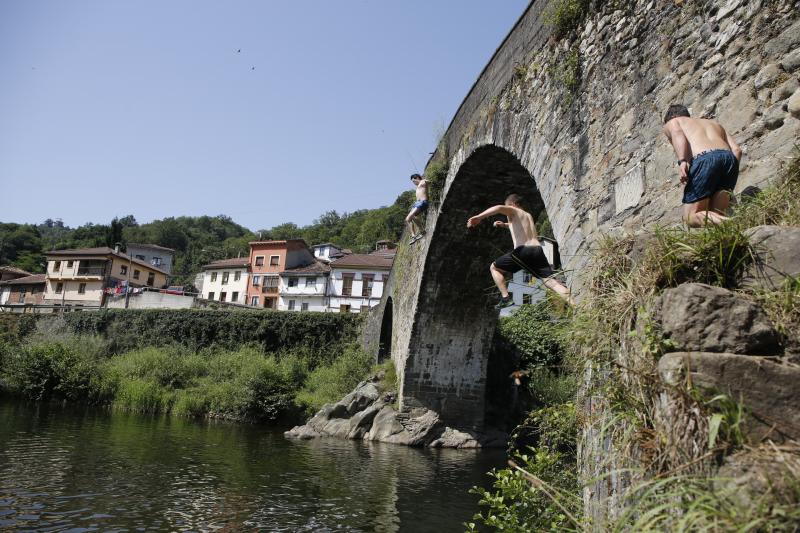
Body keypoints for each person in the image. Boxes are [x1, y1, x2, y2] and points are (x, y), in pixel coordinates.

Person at [466, 194, 573, 308]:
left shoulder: (513, 210)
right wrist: (505, 225)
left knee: (494, 267)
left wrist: (479, 217)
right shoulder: (527, 215)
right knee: (551, 283)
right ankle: (577, 305)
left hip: (523, 251)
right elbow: (521, 227)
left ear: (513, 204)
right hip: (537, 250)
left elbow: (498, 208)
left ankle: (505, 297)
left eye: (508, 208)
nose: (508, 214)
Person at [662, 104, 742, 227]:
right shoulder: (715, 124)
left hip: (705, 160)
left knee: (691, 217)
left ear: (673, 116)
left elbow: (677, 133)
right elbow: (737, 151)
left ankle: (735, 224)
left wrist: (682, 161)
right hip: (729, 159)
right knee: (714, 213)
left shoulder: (674, 122)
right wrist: (730, 174)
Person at [406, 173, 429, 244]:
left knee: (411, 216)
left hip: (422, 202)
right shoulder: (418, 186)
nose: (414, 183)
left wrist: (425, 181)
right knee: (407, 219)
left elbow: (429, 182)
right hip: (417, 203)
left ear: (417, 178)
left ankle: (422, 231)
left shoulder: (422, 182)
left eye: (414, 181)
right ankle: (413, 236)